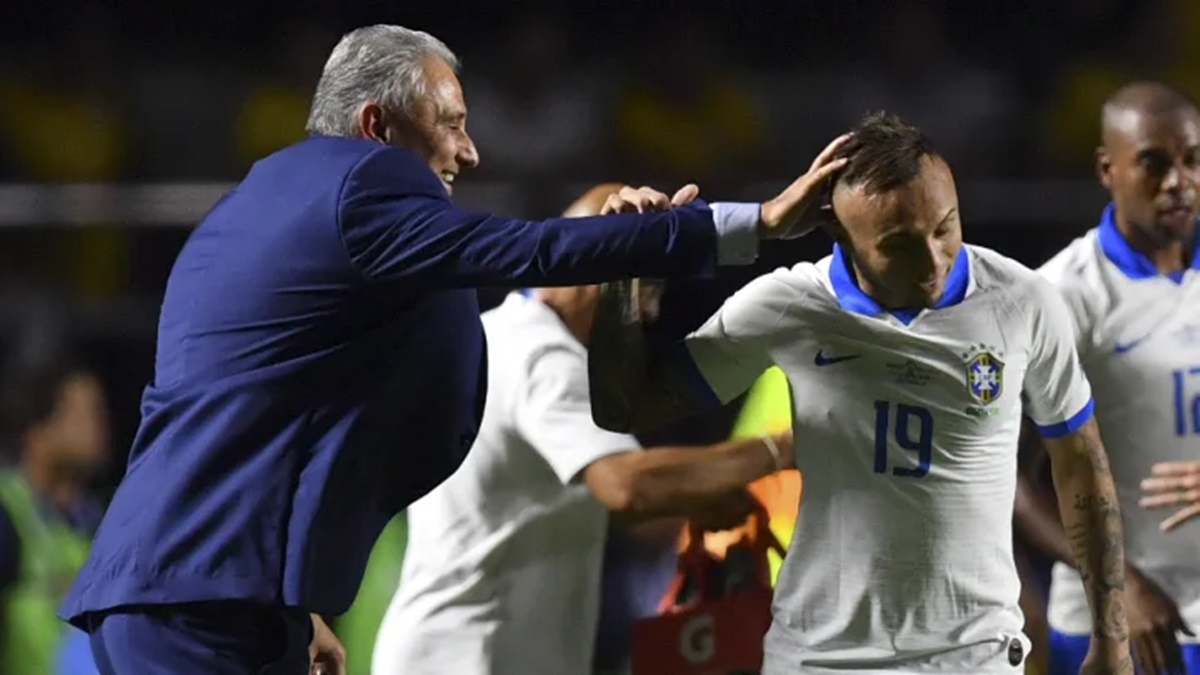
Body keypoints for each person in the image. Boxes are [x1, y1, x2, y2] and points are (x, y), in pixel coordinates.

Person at [59, 24, 851, 675]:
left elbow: (260, 420)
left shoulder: (269, 209)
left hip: (215, 593)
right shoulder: (360, 188)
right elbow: (529, 251)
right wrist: (751, 225)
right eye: (450, 122)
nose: (469, 153)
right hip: (201, 607)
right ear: (376, 126)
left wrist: (292, 606)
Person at [587, 111, 1133, 674]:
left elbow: (1079, 463)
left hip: (973, 657)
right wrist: (623, 274)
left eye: (945, 227)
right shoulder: (790, 307)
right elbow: (625, 405)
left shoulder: (1023, 302)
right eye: (899, 245)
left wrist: (1111, 639)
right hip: (821, 656)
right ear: (838, 232)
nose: (933, 262)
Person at [370, 183, 794, 675]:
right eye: (647, 288)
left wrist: (693, 496)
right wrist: (778, 448)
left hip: (452, 650)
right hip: (474, 656)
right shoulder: (545, 355)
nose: (651, 313)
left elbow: (549, 500)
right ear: (597, 270)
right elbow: (627, 485)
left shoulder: (497, 332)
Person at [1013, 80, 1200, 675]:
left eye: (1193, 160)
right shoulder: (1063, 295)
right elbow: (1006, 476)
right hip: (1130, 627)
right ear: (1106, 168)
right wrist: (1117, 582)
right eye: (1154, 162)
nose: (1178, 181)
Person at [0, 357, 108, 675]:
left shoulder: (103, 523)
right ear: (38, 430)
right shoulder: (8, 514)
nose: (101, 426)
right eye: (88, 413)